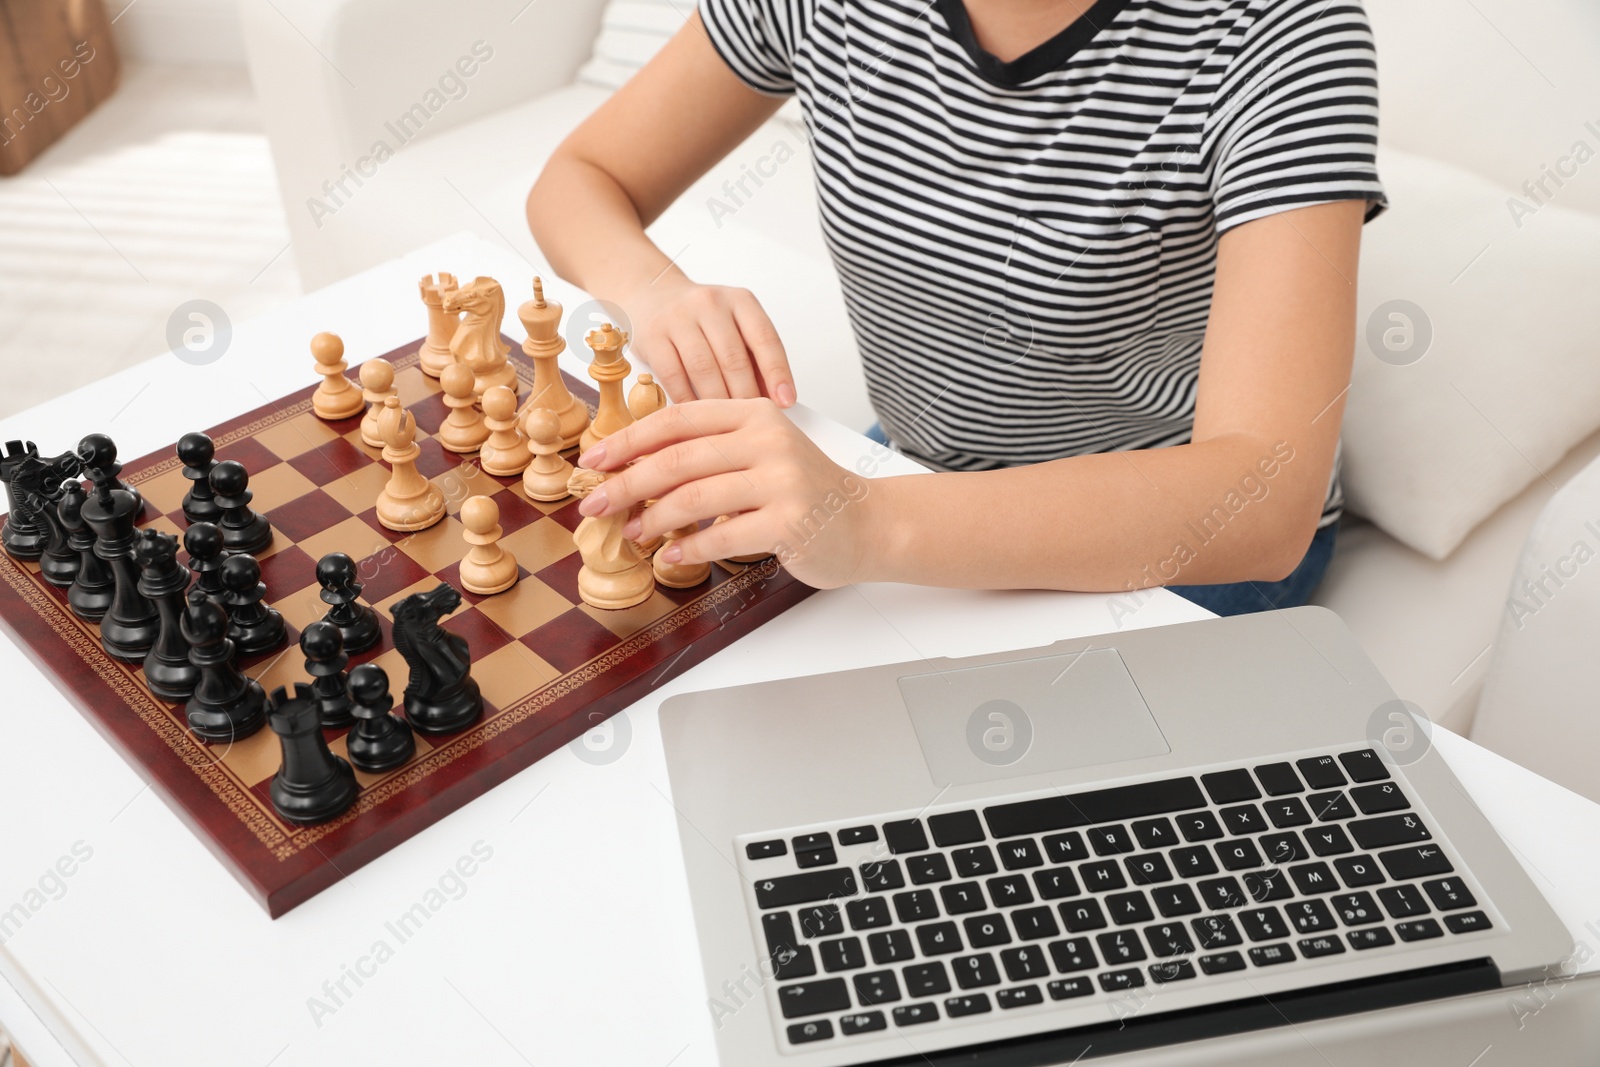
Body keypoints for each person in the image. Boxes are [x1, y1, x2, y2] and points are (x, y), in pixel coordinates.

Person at [526, 0, 1385, 614]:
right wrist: (653, 291)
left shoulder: (1287, 34)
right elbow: (579, 180)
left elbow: (1265, 503)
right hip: (916, 478)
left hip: (1169, 541)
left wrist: (870, 522)